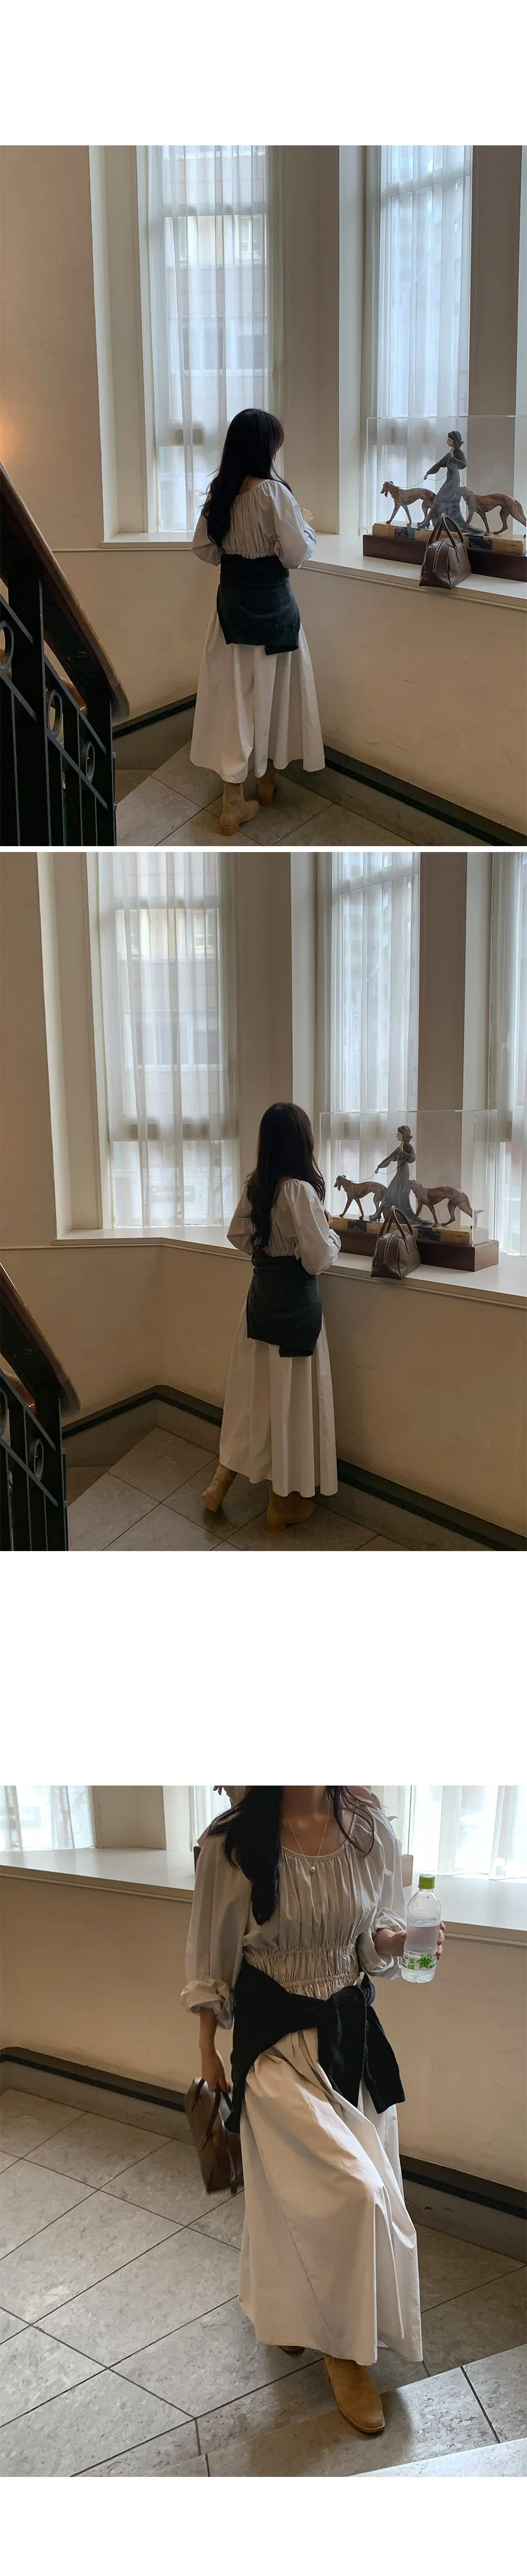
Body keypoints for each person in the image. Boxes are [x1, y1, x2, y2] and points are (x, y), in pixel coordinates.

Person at [183, 1787, 446, 2435]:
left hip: (350, 2041)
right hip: (274, 2045)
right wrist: (207, 2051)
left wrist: (392, 1941)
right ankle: (344, 2353)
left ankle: (296, 2313)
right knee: (349, 2192)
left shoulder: (368, 1829)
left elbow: (370, 1939)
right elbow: (212, 1954)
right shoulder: (231, 1842)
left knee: (306, 2194)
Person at [203, 1103, 340, 1532]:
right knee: (290, 1402)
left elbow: (237, 1235)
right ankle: (282, 1503)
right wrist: (332, 1235)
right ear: (302, 1142)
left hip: (259, 1306)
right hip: (295, 1313)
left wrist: (270, 1255)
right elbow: (317, 1259)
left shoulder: (256, 1187)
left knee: (253, 1396)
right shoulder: (299, 1191)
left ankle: (220, 1483)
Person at [190, 408, 324, 836]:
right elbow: (296, 555)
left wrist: (237, 552)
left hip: (231, 612)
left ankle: (234, 799)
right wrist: (305, 525)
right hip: (274, 612)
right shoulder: (274, 493)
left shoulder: (221, 493)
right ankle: (266, 782)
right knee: (274, 693)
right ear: (265, 448)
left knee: (234, 699)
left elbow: (205, 550)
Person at [425, 430, 467, 529]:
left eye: (449, 440)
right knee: (440, 501)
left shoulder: (459, 453)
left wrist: (454, 459)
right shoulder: (450, 453)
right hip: (449, 479)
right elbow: (440, 464)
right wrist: (428, 473)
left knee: (439, 500)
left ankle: (427, 521)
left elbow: (464, 465)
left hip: (454, 481)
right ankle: (433, 522)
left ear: (454, 441)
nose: (447, 441)